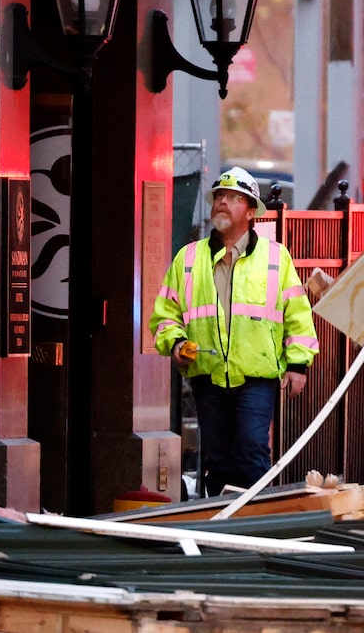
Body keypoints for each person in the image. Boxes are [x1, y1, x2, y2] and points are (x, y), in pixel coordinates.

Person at [149, 166, 318, 496]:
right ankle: (221, 524)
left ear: (251, 211)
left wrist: (298, 365)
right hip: (207, 375)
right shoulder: (189, 258)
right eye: (219, 197)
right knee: (218, 458)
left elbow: (298, 315)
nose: (223, 203)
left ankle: (256, 522)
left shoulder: (275, 258)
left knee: (252, 450)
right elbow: (165, 315)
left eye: (234, 198)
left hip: (257, 375)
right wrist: (177, 342)